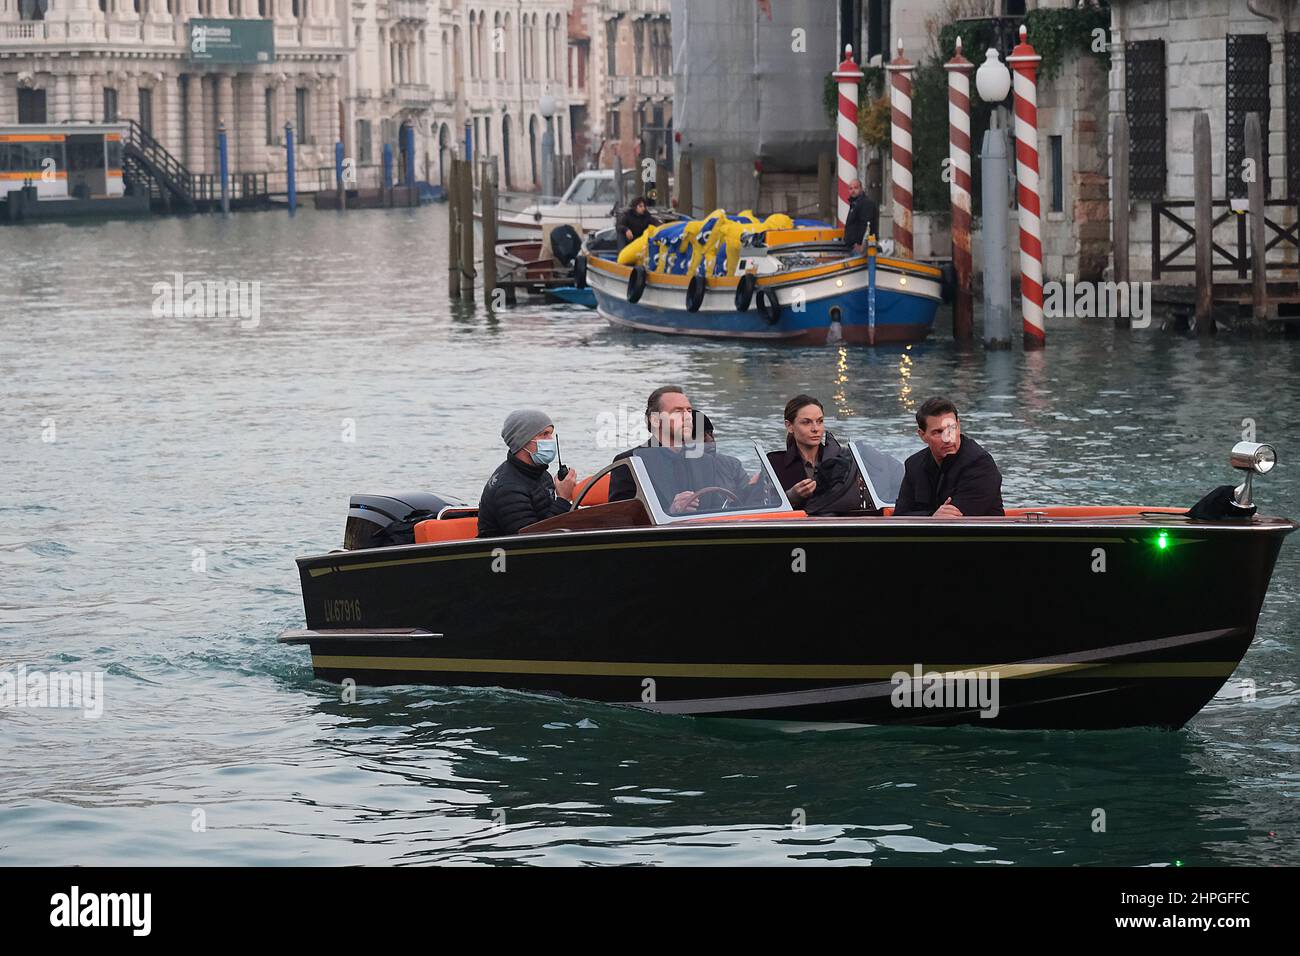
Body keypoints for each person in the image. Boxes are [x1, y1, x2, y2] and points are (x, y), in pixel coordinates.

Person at [608, 386, 755, 513]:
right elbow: (621, 518)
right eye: (678, 411)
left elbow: (716, 510)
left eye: (689, 411)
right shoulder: (628, 462)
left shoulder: (705, 461)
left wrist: (755, 489)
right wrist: (670, 511)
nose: (687, 417)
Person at [893, 397, 1004, 518]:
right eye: (938, 432)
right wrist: (932, 517)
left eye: (952, 428)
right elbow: (900, 515)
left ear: (959, 425)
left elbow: (956, 517)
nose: (948, 438)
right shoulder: (914, 465)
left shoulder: (980, 464)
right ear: (922, 435)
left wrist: (930, 518)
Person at [766, 395, 875, 515]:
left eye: (820, 421)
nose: (815, 428)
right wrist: (790, 497)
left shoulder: (845, 459)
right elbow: (762, 506)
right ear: (789, 426)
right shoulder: (774, 464)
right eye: (806, 422)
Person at [477, 409, 579, 537]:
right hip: (505, 554)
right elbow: (532, 539)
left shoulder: (542, 475)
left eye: (551, 434)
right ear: (523, 440)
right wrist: (563, 498)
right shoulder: (508, 488)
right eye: (544, 434)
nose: (550, 440)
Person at [842, 179, 879, 254]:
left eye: (856, 188)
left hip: (860, 247)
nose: (853, 190)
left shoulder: (865, 203)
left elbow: (865, 224)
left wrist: (860, 244)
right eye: (850, 188)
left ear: (861, 189)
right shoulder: (855, 204)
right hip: (853, 246)